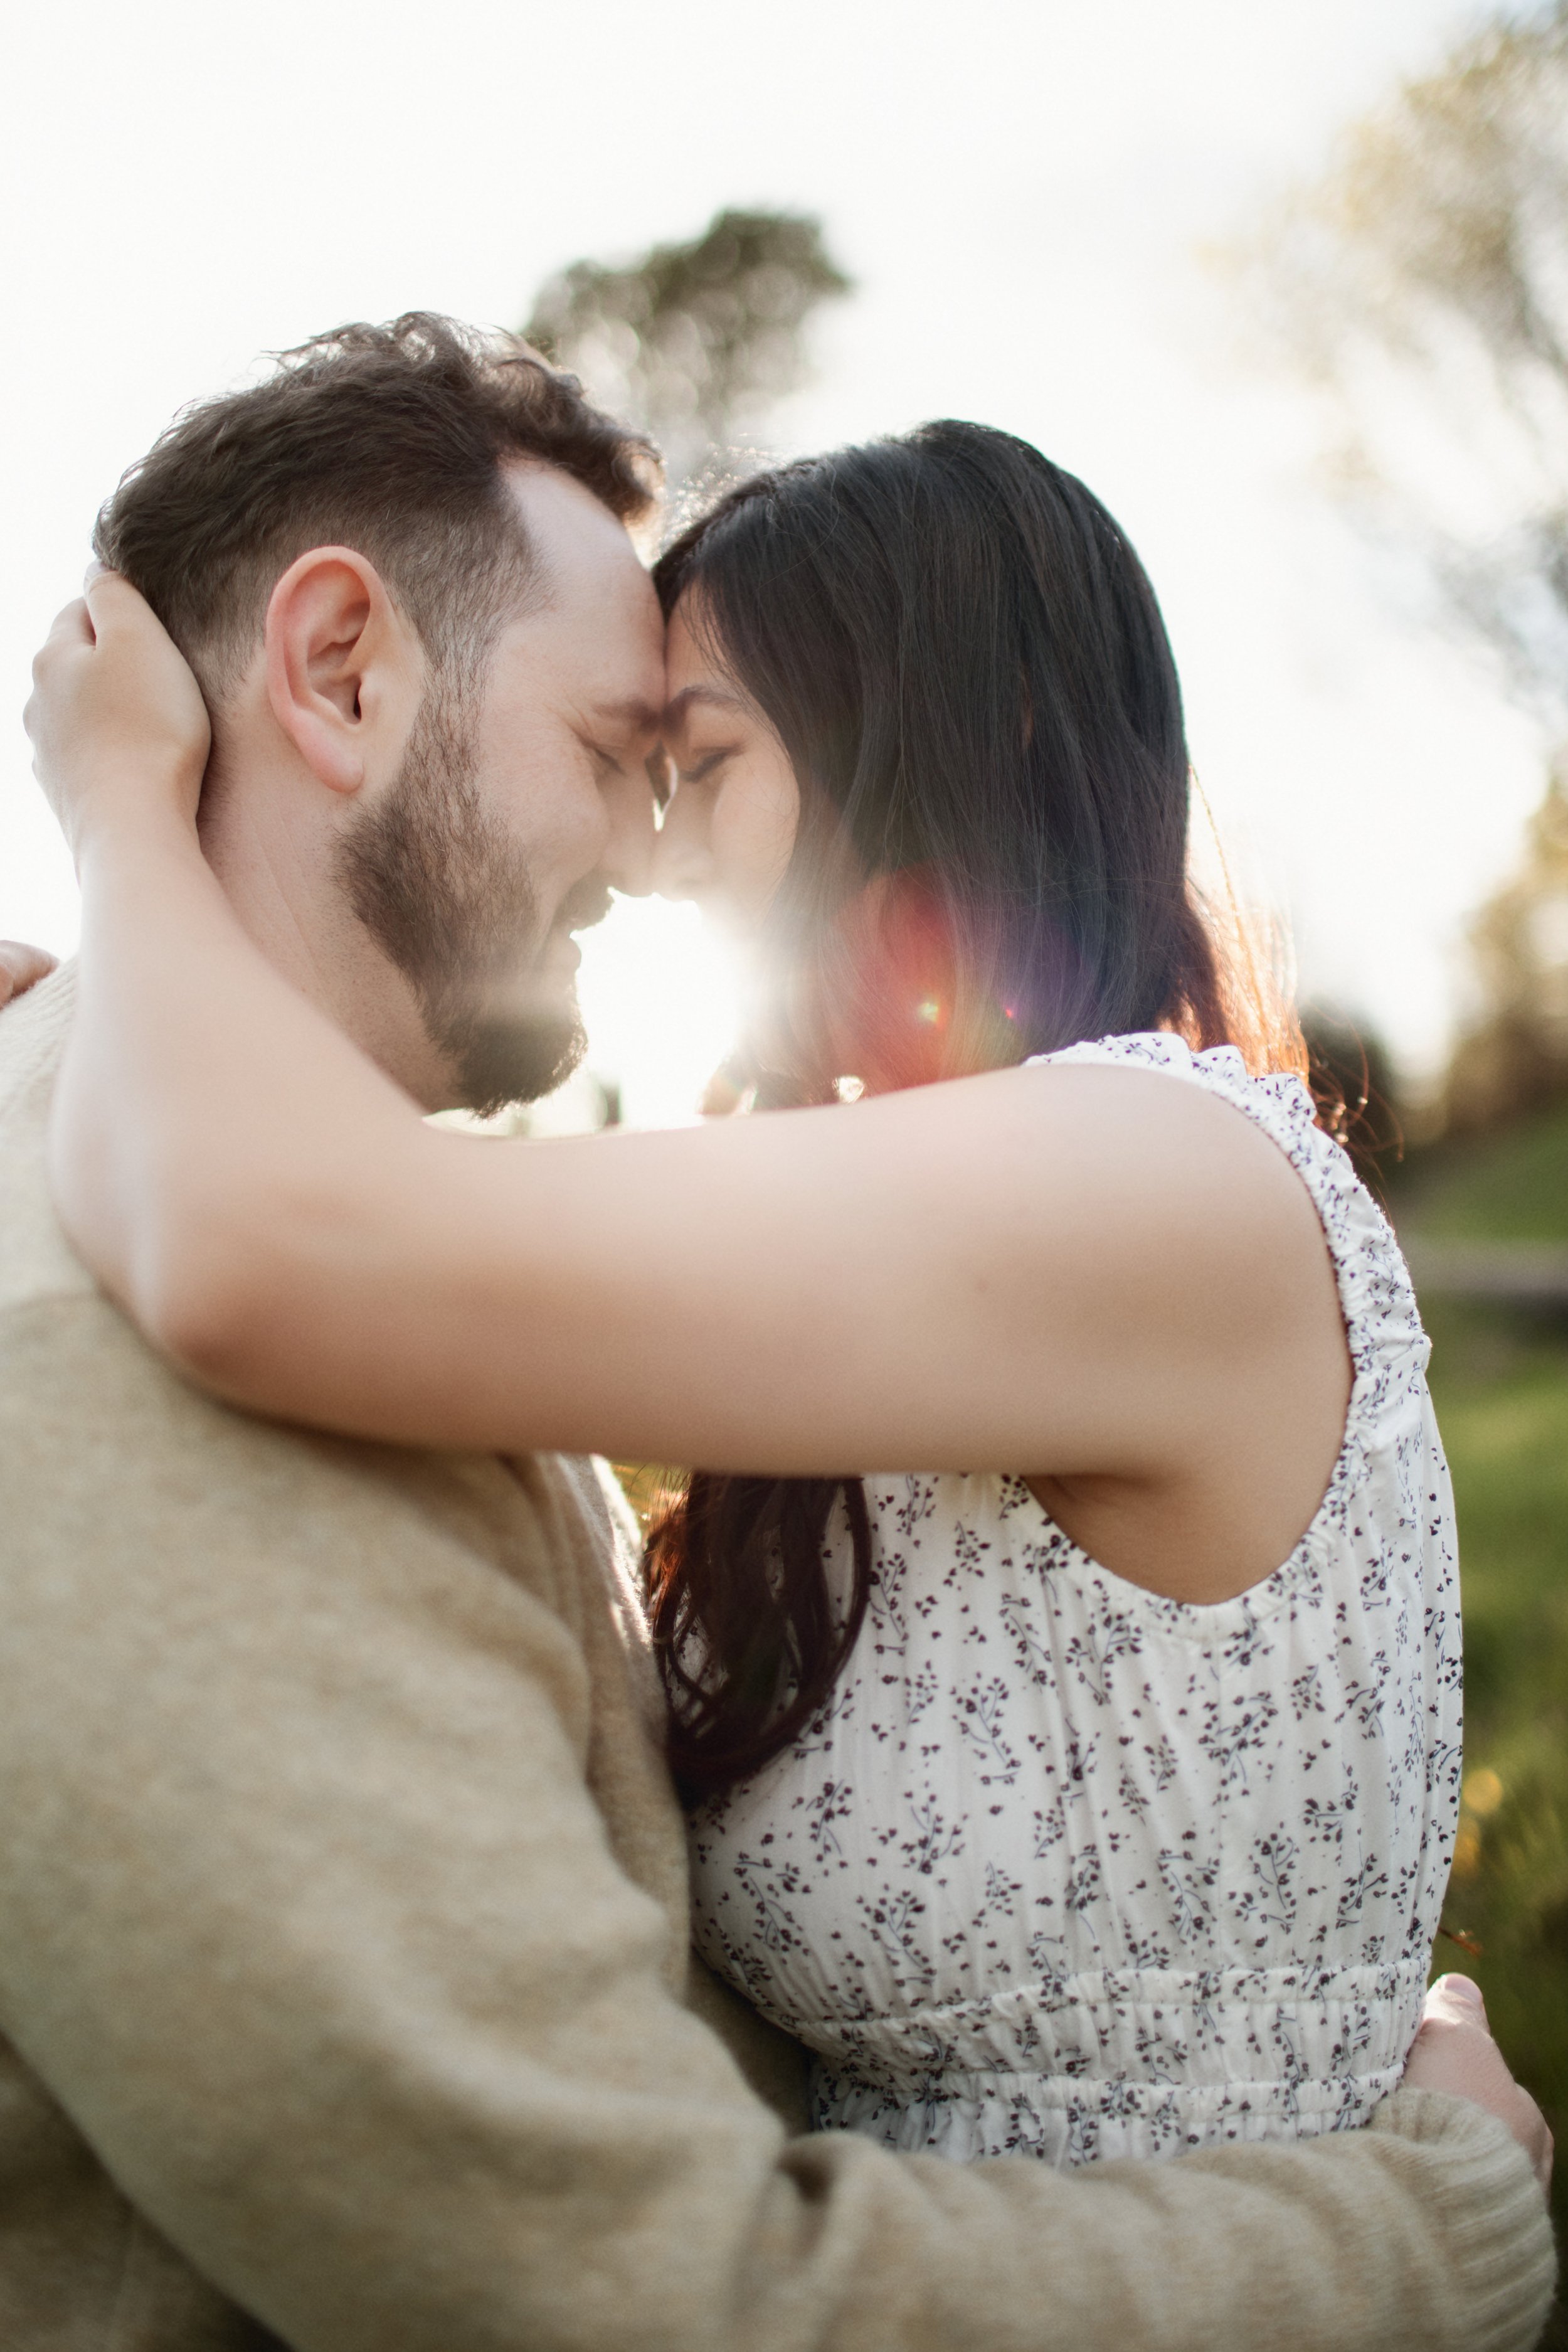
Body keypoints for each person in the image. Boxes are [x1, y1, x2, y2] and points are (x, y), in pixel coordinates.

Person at [8, 316, 1554, 2352]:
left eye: (697, 764)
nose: (648, 859)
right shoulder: (135, 1300)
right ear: (340, 669)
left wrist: (124, 832)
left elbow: (272, 1246)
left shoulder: (1138, 1180)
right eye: (619, 756)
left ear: (914, 746)